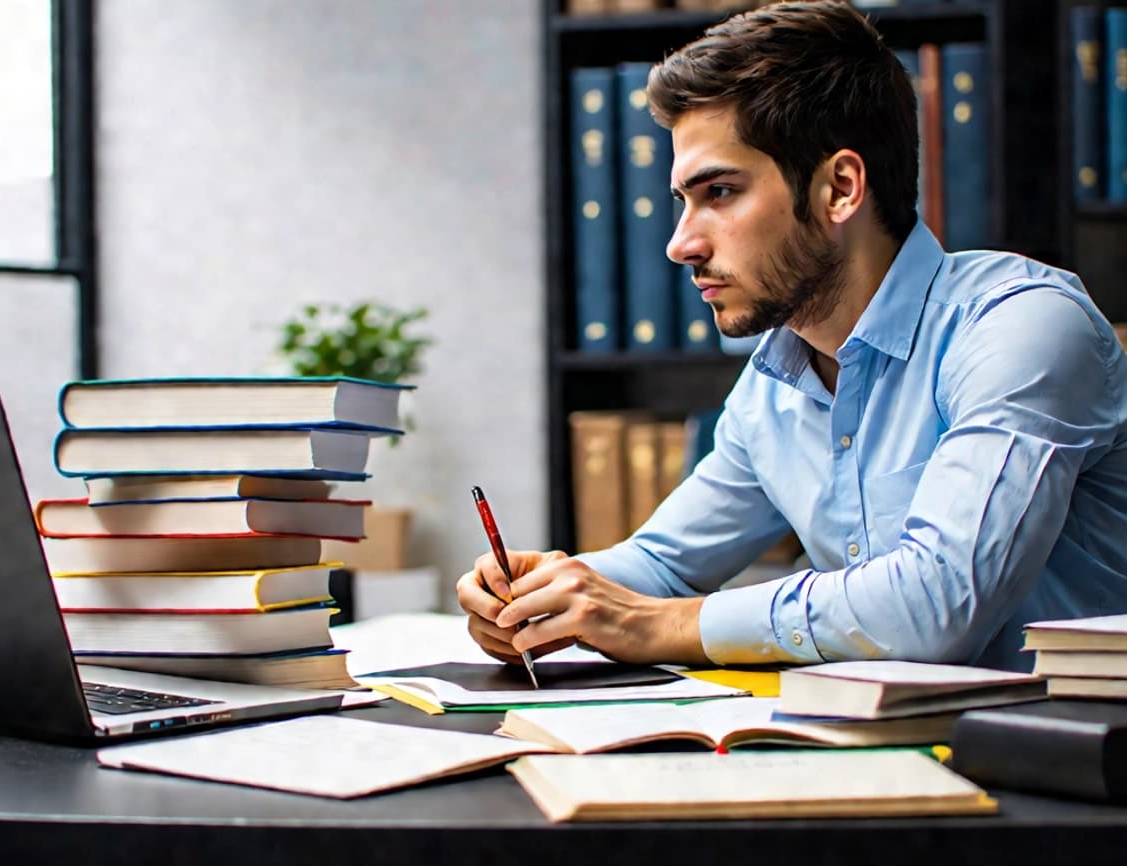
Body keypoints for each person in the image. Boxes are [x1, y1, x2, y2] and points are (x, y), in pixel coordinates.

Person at [458, 0, 1127, 672]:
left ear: (839, 188)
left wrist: (658, 625)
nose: (680, 244)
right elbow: (663, 563)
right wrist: (547, 595)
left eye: (718, 192)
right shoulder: (774, 384)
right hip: (888, 752)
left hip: (1065, 763)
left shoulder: (1023, 327)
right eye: (681, 201)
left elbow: (935, 607)